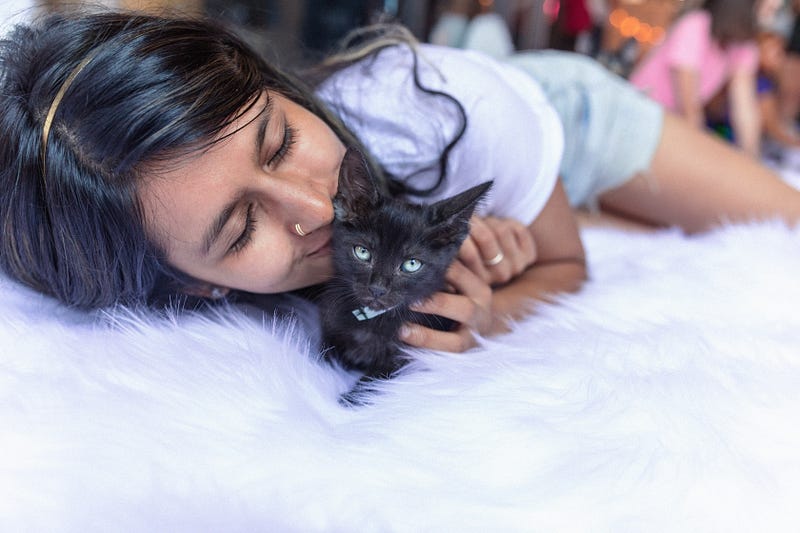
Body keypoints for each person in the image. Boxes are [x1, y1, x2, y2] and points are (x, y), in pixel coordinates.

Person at [2, 10, 800, 356]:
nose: (315, 207)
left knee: (783, 219)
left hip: (565, 113)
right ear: (193, 285)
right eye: (241, 229)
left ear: (277, 85)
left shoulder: (443, 111)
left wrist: (491, 313)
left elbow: (565, 267)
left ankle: (574, 198)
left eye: (280, 141)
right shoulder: (161, 265)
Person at [629, 0, 782, 158]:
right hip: (640, 116)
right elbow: (688, 106)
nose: (770, 20)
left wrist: (751, 157)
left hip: (671, 126)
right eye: (768, 9)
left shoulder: (744, 46)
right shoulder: (696, 25)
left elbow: (744, 107)